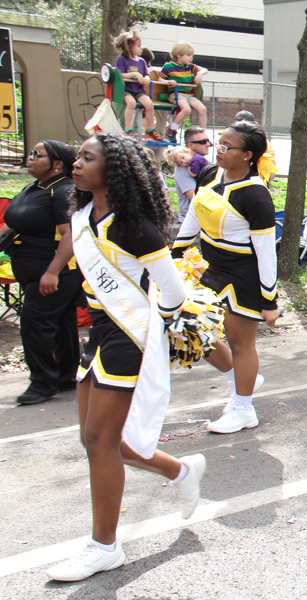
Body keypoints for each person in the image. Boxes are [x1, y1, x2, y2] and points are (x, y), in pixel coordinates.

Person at [46, 132, 205, 582]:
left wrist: (160, 330)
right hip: (97, 333)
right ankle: (180, 471)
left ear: (113, 169)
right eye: (77, 156)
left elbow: (172, 290)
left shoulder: (135, 225)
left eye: (87, 158)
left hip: (127, 337)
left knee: (100, 443)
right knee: (99, 442)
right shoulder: (82, 216)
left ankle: (104, 546)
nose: (77, 163)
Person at [172, 120, 279, 434]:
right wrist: (177, 251)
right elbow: (196, 212)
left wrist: (269, 299)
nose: (218, 151)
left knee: (240, 342)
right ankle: (241, 379)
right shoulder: (209, 173)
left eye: (226, 147)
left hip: (243, 277)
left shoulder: (256, 196)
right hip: (211, 269)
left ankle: (243, 410)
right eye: (218, 144)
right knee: (191, 329)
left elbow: (266, 252)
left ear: (247, 155)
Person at [0, 141, 83, 405]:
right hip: (30, 268)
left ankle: (42, 383)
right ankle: (66, 376)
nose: (30, 157)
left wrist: (52, 272)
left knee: (34, 324)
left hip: (54, 271)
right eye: (30, 153)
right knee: (61, 323)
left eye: (38, 154)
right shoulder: (33, 188)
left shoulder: (62, 190)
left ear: (57, 164)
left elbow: (70, 235)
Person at [112, 31, 163, 143]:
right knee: (131, 103)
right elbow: (120, 74)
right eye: (138, 46)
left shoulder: (142, 61)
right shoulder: (122, 59)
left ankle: (150, 129)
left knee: (149, 104)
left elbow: (146, 74)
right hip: (127, 90)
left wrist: (146, 79)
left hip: (138, 91)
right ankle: (128, 129)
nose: (141, 49)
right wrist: (135, 74)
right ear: (129, 47)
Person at [159, 41, 208, 142]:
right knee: (186, 109)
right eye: (188, 55)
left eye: (192, 55)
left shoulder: (190, 67)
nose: (191, 58)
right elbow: (160, 79)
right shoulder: (169, 66)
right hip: (176, 94)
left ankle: (204, 135)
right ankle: (172, 130)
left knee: (202, 109)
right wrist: (168, 81)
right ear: (178, 55)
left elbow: (205, 69)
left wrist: (200, 74)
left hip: (189, 95)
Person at [165, 145, 194, 223]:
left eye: (183, 157)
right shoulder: (182, 171)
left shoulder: (193, 166)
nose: (184, 161)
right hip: (189, 218)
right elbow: (194, 197)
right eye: (181, 161)